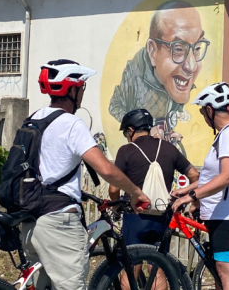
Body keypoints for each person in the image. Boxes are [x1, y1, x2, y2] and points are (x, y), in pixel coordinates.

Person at [24, 59, 150, 290]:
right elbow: (105, 169)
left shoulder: (34, 119)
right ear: (72, 90)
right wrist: (136, 192)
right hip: (59, 222)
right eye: (82, 87)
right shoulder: (71, 123)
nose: (82, 92)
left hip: (30, 220)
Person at [171, 82, 229, 290]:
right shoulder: (226, 135)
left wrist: (192, 196)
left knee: (227, 273)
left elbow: (227, 177)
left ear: (209, 109)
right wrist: (186, 190)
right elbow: (212, 176)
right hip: (222, 215)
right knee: (220, 273)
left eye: (202, 112)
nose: (204, 118)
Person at [109, 0, 211, 141]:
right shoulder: (134, 73)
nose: (192, 66)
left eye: (198, 48)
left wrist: (168, 134)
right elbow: (114, 106)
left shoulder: (177, 82)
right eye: (179, 49)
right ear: (152, 51)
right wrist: (143, 130)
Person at [109, 108, 199, 244]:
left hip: (135, 215)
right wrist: (194, 201)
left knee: (133, 258)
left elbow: (113, 189)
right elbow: (194, 175)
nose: (126, 137)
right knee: (161, 259)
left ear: (131, 130)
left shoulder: (126, 151)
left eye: (125, 133)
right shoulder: (169, 148)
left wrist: (116, 207)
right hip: (162, 214)